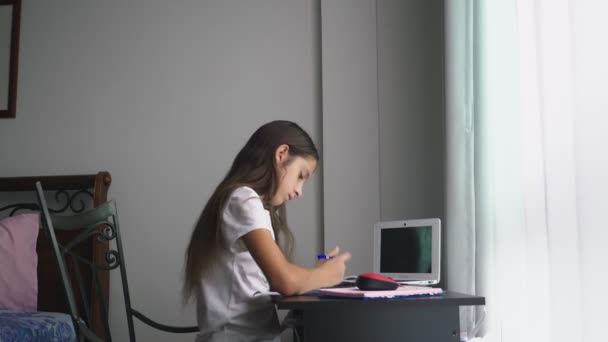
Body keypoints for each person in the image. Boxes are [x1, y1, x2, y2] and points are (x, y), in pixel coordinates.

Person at [183, 120, 351, 342]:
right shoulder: (243, 199)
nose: (300, 191)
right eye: (301, 175)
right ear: (281, 154)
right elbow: (285, 281)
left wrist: (313, 275)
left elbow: (272, 280)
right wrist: (327, 275)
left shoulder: (251, 205)